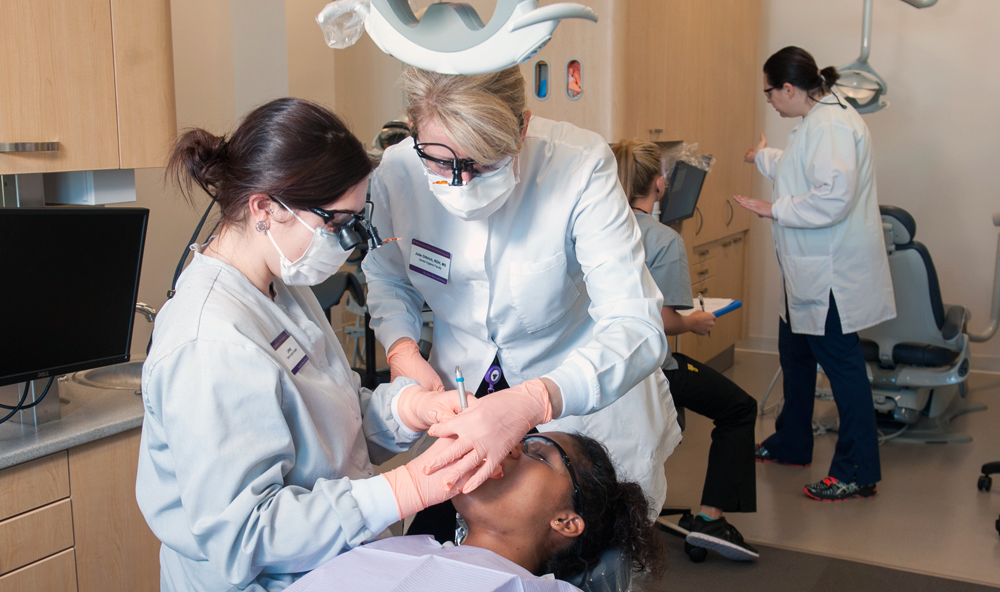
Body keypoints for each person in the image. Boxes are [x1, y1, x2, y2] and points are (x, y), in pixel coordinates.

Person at [136, 98, 482, 591]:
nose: (343, 244)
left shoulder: (282, 286)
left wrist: (408, 409)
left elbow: (322, 422)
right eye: (334, 224)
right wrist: (403, 488)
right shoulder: (209, 343)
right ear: (264, 208)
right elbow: (246, 535)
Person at [363, 66, 682, 541]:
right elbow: (388, 276)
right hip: (462, 387)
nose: (460, 182)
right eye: (439, 161)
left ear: (523, 128)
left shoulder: (578, 165)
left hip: (575, 391)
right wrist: (401, 348)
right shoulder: (398, 172)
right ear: (414, 134)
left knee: (576, 548)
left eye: (483, 164)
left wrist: (538, 399)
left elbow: (636, 324)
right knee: (445, 533)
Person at [734, 46, 896, 502]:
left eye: (770, 92)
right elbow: (799, 166)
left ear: (789, 88)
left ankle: (858, 470)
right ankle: (791, 442)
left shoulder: (831, 124)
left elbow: (833, 196)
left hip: (828, 275)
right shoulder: (819, 120)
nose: (769, 101)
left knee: (842, 370)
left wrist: (774, 208)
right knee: (796, 356)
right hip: (807, 272)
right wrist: (764, 158)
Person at [610, 139, 759, 561]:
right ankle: (711, 519)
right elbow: (662, 321)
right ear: (659, 184)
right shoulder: (661, 239)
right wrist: (695, 321)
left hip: (600, 366)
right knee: (738, 408)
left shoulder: (589, 228)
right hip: (650, 367)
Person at [287, 432, 663, 590]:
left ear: (566, 521)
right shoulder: (393, 545)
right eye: (518, 441)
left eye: (538, 454)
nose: (509, 449)